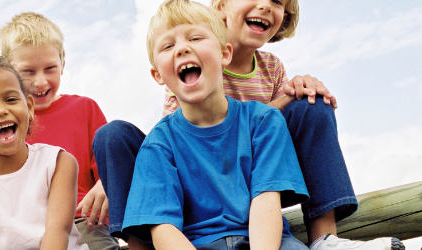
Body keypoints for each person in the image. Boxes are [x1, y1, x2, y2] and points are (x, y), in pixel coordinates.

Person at [122, 0, 311, 249]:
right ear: (158, 75)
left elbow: (266, 199)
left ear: (225, 54)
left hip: (265, 240)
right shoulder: (157, 145)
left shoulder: (265, 121)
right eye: (168, 46)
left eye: (196, 38)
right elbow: (163, 228)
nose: (182, 49)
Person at [0, 12, 114, 249]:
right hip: (23, 228)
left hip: (80, 221)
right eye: (28, 71)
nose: (40, 82)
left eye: (49, 68)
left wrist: (106, 184)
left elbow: (108, 169)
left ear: (62, 64)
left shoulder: (84, 108)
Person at [0, 58, 88, 250]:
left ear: (29, 107)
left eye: (11, 99)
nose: (1, 111)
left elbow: (58, 233)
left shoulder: (58, 163)